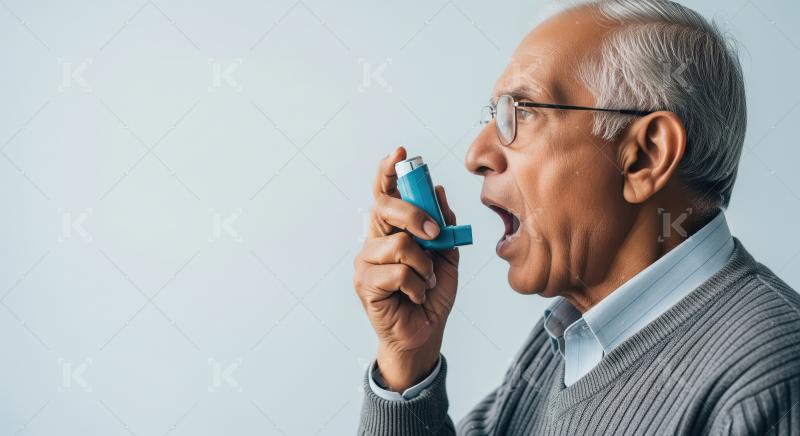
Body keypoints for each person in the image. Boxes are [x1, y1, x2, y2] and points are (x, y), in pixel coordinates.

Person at [352, 0, 800, 434]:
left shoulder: (771, 382)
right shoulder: (565, 342)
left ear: (646, 156)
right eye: (495, 115)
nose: (476, 155)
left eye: (521, 112)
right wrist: (406, 361)